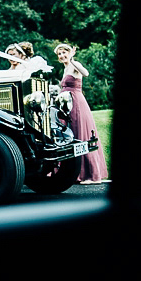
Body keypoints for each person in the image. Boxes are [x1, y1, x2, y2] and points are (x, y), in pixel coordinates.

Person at [54, 43, 109, 184]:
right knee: (69, 135)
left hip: (76, 103)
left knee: (81, 134)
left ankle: (89, 175)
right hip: (65, 105)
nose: (62, 56)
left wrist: (72, 60)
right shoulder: (65, 68)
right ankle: (73, 173)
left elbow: (86, 73)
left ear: (69, 53)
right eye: (59, 54)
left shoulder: (74, 64)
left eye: (63, 53)